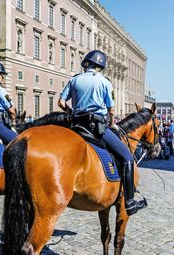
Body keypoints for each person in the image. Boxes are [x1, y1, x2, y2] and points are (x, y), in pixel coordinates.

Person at [58, 49, 146, 216]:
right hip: (96, 128)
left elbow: (61, 102)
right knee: (127, 157)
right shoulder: (104, 82)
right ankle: (129, 202)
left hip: (76, 126)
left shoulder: (74, 79)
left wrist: (72, 113)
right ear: (100, 66)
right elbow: (111, 109)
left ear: (87, 64)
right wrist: (111, 122)